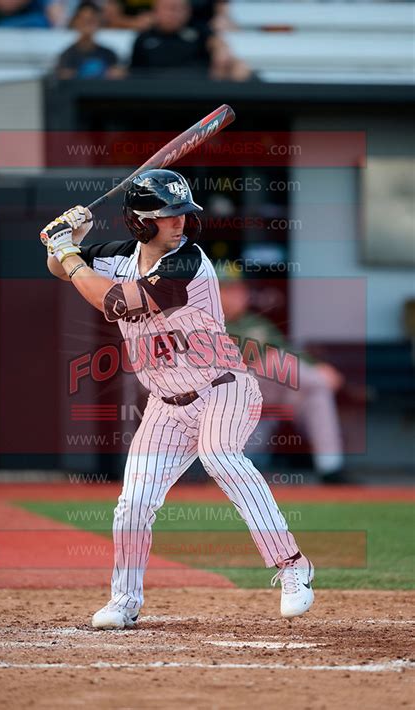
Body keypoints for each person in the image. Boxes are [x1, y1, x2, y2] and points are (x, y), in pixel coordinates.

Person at [40, 169, 315, 629]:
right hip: (165, 406)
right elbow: (63, 269)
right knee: (133, 502)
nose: (180, 222)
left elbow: (116, 303)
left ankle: (293, 567)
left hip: (223, 388)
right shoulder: (116, 256)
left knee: (220, 456)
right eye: (169, 216)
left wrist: (67, 253)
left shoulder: (189, 263)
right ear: (141, 222)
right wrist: (65, 238)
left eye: (183, 214)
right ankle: (124, 601)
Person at [219, 274, 346, 483]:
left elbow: (287, 350)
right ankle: (320, 378)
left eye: (240, 289)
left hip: (270, 398)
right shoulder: (205, 321)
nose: (238, 295)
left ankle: (330, 468)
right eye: (229, 290)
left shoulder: (255, 322)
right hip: (235, 402)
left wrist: (316, 365)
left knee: (317, 395)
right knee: (274, 361)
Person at [130, 0, 250, 81]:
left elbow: (217, 44)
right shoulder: (144, 37)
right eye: (168, 8)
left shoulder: (198, 30)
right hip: (155, 92)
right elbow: (133, 72)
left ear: (188, 12)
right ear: (156, 11)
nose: (173, 14)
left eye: (179, 9)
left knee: (240, 68)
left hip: (198, 90)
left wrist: (222, 52)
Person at [56, 1, 123, 79]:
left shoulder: (109, 54)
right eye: (84, 21)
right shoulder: (67, 55)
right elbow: (65, 82)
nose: (87, 26)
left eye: (91, 21)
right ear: (75, 22)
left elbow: (118, 78)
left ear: (99, 23)